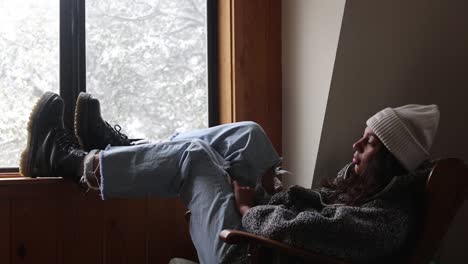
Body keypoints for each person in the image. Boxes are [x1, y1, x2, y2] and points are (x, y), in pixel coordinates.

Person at [20, 92, 440, 264]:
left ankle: (74, 162)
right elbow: (313, 218)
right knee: (250, 136)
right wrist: (273, 192)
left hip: (249, 254)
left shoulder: (388, 220)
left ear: (391, 161)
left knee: (193, 157)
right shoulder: (369, 195)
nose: (355, 147)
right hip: (264, 239)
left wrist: (249, 208)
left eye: (368, 145)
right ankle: (120, 148)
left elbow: (304, 234)